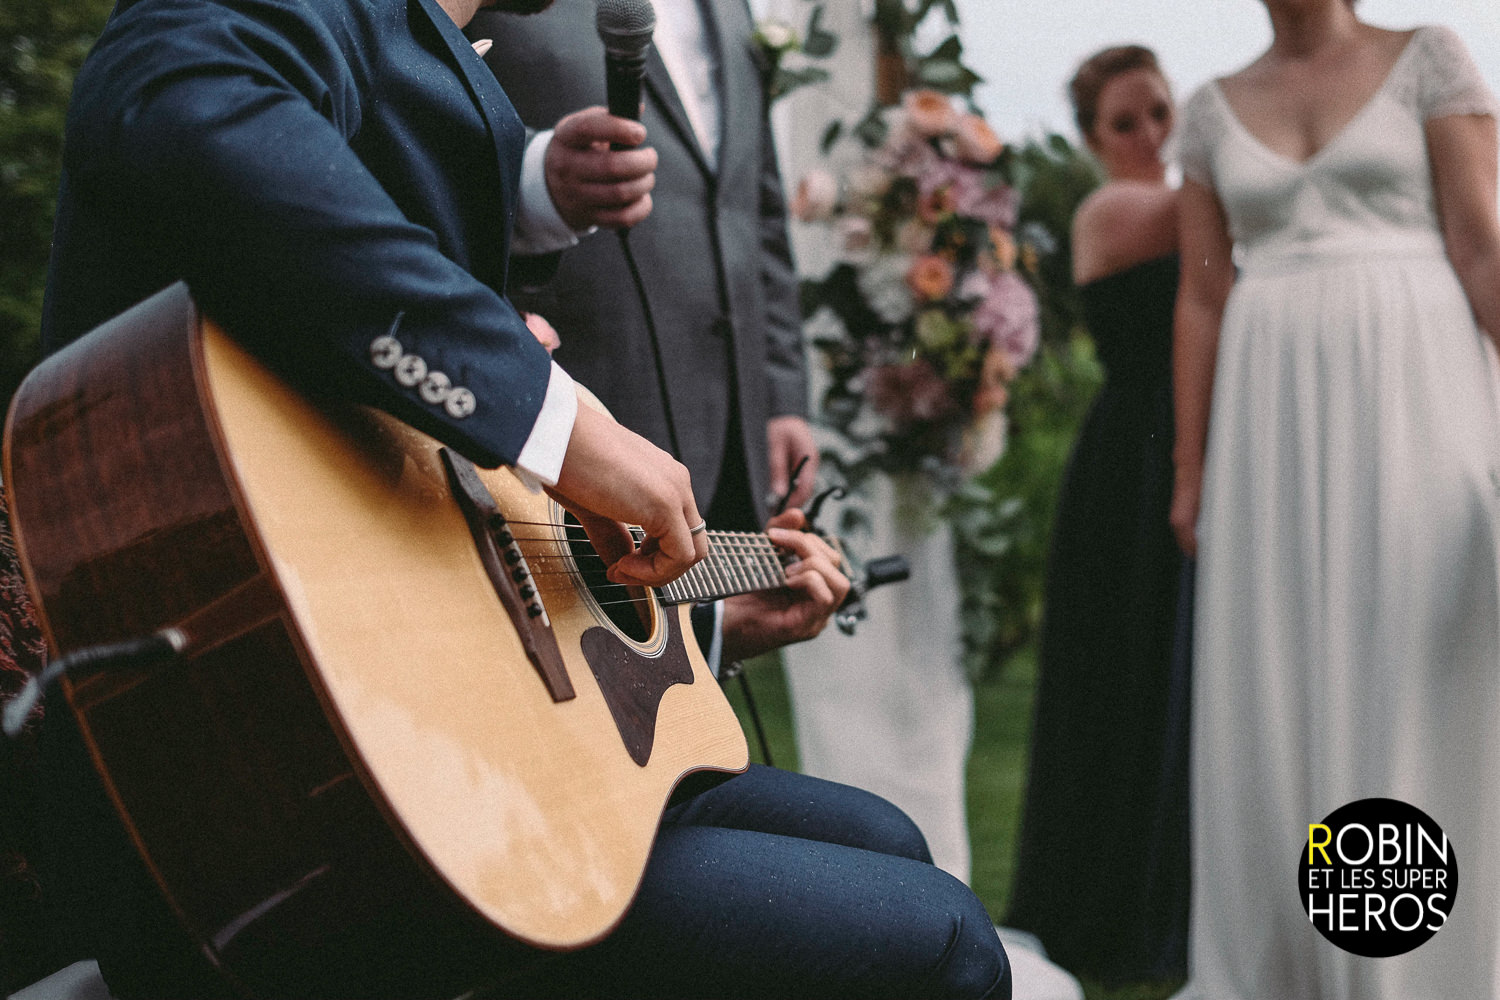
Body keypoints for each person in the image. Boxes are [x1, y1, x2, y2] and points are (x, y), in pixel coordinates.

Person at [28, 0, 1011, 998]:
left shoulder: (427, 52)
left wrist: (707, 613)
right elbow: (178, 104)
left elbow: (434, 527)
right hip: (267, 812)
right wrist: (560, 424)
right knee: (942, 942)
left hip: (424, 761)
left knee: (884, 837)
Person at [1171, 1, 1500, 996]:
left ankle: (1420, 960)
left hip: (1418, 394)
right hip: (1266, 424)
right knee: (1277, 679)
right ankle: (1293, 961)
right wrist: (1190, 469)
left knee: (1411, 668)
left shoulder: (1429, 60)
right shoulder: (1208, 108)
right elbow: (1203, 294)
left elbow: (1485, 248)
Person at [469, 0, 817, 532]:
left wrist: (781, 393)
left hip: (739, 433)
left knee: (733, 613)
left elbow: (753, 206)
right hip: (586, 415)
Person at [1004, 45, 1189, 987]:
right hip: (1136, 462)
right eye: (1126, 121)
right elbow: (1215, 218)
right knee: (1127, 675)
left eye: (1161, 110)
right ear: (1091, 140)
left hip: (1196, 438)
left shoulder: (1193, 193)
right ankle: (1113, 905)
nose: (1152, 134)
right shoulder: (1112, 208)